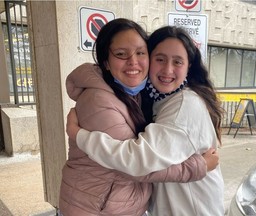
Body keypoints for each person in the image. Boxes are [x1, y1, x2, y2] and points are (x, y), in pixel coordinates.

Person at [60, 18, 219, 216]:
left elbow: (136, 161)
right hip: (96, 208)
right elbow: (134, 164)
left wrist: (79, 136)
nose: (168, 69)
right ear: (106, 62)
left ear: (188, 67)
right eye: (160, 59)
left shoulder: (182, 104)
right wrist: (198, 166)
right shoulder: (114, 99)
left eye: (177, 62)